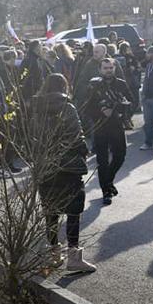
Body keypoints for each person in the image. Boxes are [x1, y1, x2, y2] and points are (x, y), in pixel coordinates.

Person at [32, 74, 96, 272]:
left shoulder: (34, 107)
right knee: (73, 211)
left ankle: (54, 254)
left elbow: (30, 137)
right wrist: (85, 151)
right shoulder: (67, 107)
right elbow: (76, 135)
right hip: (69, 166)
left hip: (45, 166)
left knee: (50, 212)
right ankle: (74, 257)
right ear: (64, 86)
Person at [85, 58, 131, 205]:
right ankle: (106, 191)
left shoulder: (121, 84)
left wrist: (117, 110)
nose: (108, 70)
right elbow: (86, 106)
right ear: (100, 69)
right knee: (102, 161)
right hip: (100, 126)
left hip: (116, 125)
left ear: (115, 68)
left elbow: (132, 101)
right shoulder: (94, 85)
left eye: (111, 68)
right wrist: (102, 111)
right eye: (105, 68)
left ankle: (108, 181)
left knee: (120, 155)